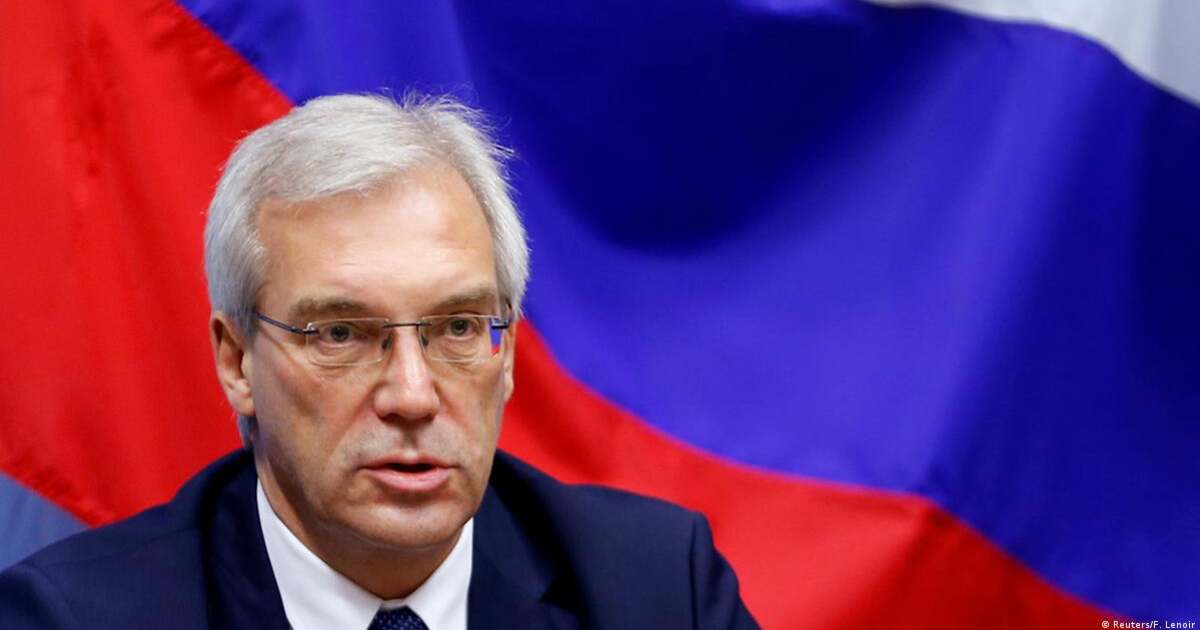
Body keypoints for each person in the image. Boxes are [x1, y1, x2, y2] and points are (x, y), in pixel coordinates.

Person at [0, 93, 757, 629]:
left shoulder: (659, 591)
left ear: (507, 355)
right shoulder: (72, 617)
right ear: (237, 362)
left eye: (457, 327)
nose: (413, 395)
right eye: (341, 335)